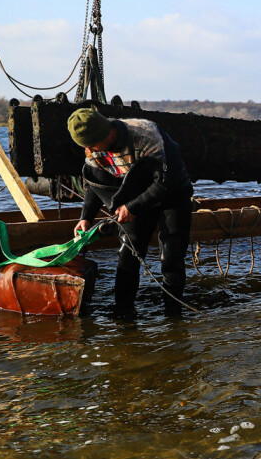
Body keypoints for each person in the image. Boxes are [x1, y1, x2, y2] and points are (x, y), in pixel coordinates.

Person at [68, 108, 194, 316]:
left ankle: (174, 314)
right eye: (86, 146)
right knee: (128, 252)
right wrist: (86, 218)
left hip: (172, 192)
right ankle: (123, 313)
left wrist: (132, 207)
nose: (89, 150)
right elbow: (94, 185)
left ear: (106, 134)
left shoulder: (146, 135)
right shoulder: (93, 149)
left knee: (171, 254)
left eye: (91, 145)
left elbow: (166, 183)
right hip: (133, 192)